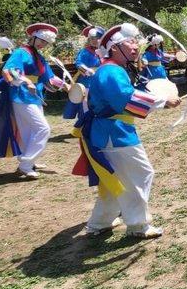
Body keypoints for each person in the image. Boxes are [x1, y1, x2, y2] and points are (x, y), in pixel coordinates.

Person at [73, 24, 181, 239]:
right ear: (114, 47)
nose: (135, 47)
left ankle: (99, 223)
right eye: (130, 42)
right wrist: (163, 100)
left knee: (118, 178)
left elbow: (130, 94)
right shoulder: (111, 71)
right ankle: (137, 225)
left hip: (111, 131)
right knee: (140, 173)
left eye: (135, 42)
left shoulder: (113, 70)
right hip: (114, 132)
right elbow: (126, 98)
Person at [0, 23, 66, 179]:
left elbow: (48, 78)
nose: (43, 44)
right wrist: (25, 81)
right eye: (41, 40)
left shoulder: (39, 57)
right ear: (33, 37)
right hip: (21, 95)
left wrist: (66, 86)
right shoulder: (20, 53)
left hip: (35, 96)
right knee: (43, 129)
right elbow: (9, 70)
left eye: (46, 42)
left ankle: (29, 160)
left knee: (29, 131)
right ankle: (26, 164)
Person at [63, 26, 104, 120]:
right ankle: (82, 127)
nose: (94, 41)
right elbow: (79, 63)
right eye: (91, 39)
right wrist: (86, 70)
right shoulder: (85, 52)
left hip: (100, 81)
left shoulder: (104, 51)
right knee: (86, 105)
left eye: (97, 38)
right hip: (87, 82)